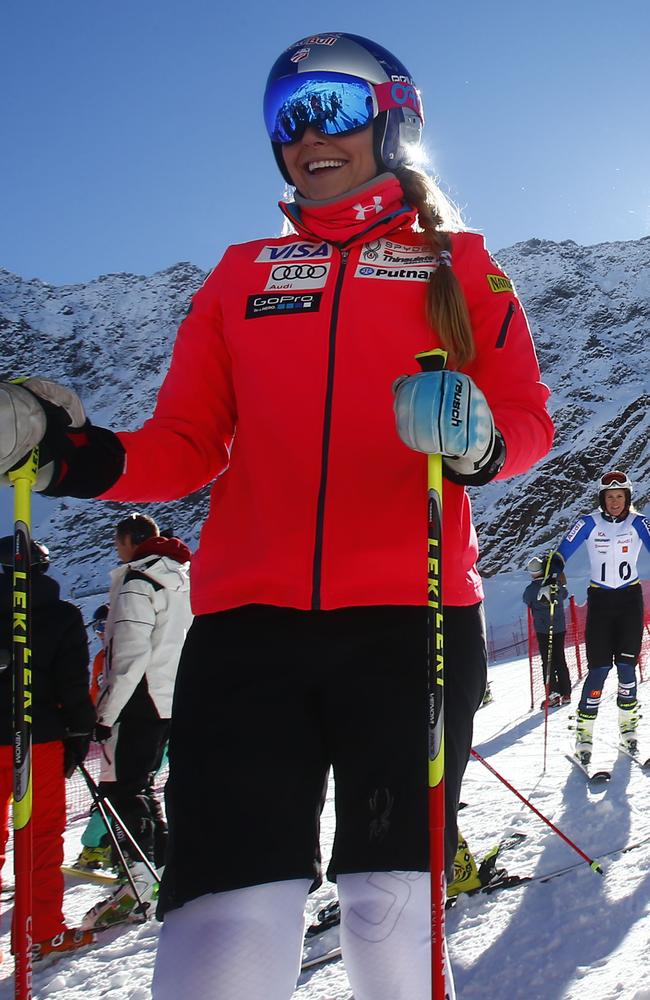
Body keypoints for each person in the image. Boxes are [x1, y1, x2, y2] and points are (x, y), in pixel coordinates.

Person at [0, 31, 553, 1000]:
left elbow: (524, 420)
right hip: (247, 631)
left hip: (409, 617)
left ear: (394, 117)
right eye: (286, 116)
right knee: (222, 918)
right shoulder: (240, 275)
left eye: (333, 107)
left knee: (388, 909)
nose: (308, 133)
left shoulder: (459, 266)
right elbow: (184, 445)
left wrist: (474, 436)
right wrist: (61, 453)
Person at [81, 513, 192, 928]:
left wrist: (105, 713)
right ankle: (163, 869)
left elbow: (127, 655)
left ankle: (141, 878)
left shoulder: (137, 583)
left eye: (117, 539)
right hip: (174, 697)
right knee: (143, 786)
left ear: (129, 540)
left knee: (123, 788)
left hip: (139, 700)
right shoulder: (181, 579)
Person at [0, 537, 96, 960]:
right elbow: (73, 682)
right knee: (40, 836)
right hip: (40, 737)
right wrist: (80, 731)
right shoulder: (60, 615)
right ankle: (42, 931)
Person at [543, 471, 650, 764]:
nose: (615, 502)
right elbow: (562, 551)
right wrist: (552, 572)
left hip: (629, 601)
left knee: (627, 669)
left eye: (620, 496)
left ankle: (629, 731)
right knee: (599, 669)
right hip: (601, 601)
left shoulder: (639, 522)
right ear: (601, 499)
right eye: (609, 497)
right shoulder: (588, 522)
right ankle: (583, 734)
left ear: (628, 498)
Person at [74, 603, 114, 872]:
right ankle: (96, 844)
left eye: (104, 626)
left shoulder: (127, 651)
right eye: (97, 628)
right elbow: (94, 691)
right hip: (111, 730)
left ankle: (100, 843)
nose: (101, 633)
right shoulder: (102, 657)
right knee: (115, 786)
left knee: (122, 787)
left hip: (143, 727)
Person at [523, 554, 571, 707]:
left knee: (548, 661)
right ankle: (566, 693)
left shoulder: (531, 589)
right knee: (560, 659)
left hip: (543, 629)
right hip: (559, 627)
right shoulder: (553, 583)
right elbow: (564, 594)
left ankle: (553, 694)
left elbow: (527, 600)